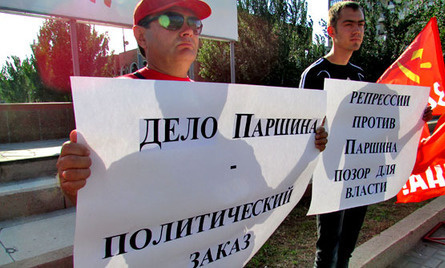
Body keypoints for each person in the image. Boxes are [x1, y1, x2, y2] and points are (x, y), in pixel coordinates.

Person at [56, 0, 328, 205]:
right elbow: (93, 203)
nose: (187, 30)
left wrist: (305, 148)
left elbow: (255, 195)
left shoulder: (214, 104)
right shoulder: (112, 99)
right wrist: (72, 181)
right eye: (172, 20)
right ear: (140, 36)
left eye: (194, 24)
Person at [299, 2, 432, 267]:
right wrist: (315, 138)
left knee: (347, 246)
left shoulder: (360, 75)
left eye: (360, 24)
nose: (357, 30)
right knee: (328, 250)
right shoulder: (314, 74)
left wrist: (415, 115)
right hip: (330, 174)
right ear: (331, 31)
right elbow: (301, 130)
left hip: (360, 171)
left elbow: (373, 124)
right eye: (349, 23)